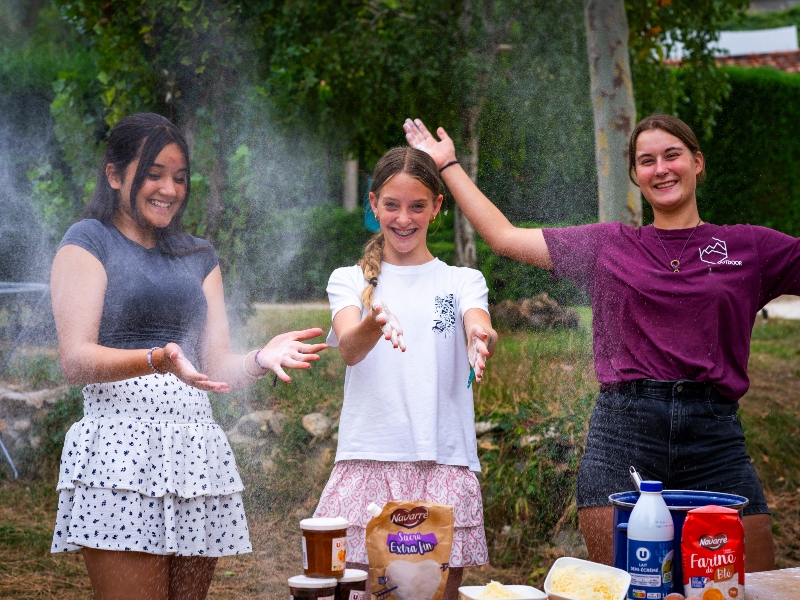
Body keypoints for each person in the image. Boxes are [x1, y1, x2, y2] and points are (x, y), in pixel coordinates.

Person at [403, 113, 800, 572]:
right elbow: (505, 238)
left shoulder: (749, 247)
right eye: (646, 161)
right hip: (623, 436)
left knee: (753, 586)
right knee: (623, 588)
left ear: (697, 162)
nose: (661, 168)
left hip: (715, 438)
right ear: (635, 175)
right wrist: (448, 164)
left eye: (672, 155)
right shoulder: (609, 245)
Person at [49, 112, 327, 600]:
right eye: (153, 173)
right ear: (114, 175)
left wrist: (262, 357)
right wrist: (158, 358)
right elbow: (75, 360)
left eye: (179, 177)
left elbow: (215, 367)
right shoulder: (88, 241)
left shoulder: (198, 254)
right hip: (120, 454)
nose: (169, 189)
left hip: (195, 454)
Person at [313, 147, 498, 598]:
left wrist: (480, 337)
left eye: (417, 206)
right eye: (391, 205)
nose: (403, 218)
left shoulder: (461, 280)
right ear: (373, 204)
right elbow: (351, 349)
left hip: (444, 461)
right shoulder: (349, 280)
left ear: (437, 206)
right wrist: (375, 322)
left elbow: (479, 321)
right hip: (367, 460)